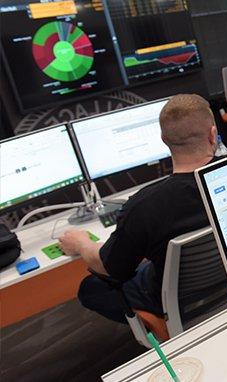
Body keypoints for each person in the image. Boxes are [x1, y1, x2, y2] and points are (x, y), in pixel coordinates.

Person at [58, 94, 218, 323]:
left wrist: (82, 243)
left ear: (164, 139)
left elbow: (109, 268)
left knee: (92, 287)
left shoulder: (144, 206)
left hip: (176, 302)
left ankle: (157, 324)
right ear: (213, 134)